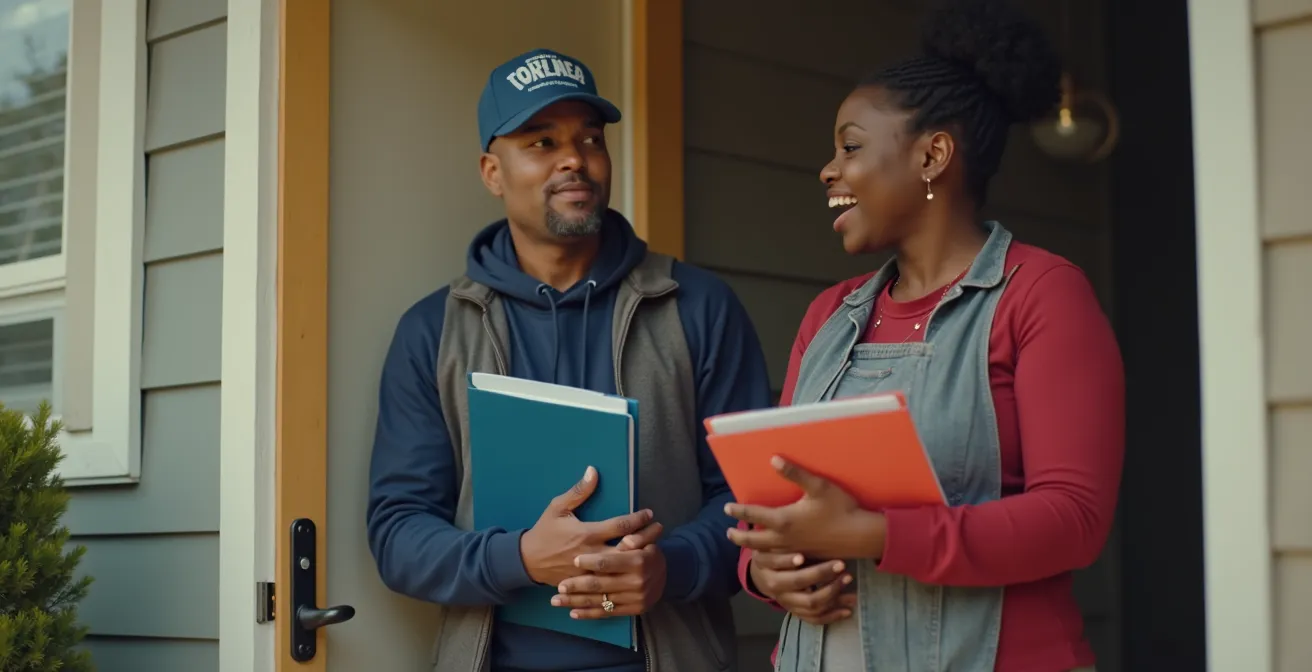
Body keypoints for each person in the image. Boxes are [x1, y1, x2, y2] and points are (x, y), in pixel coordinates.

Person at [723, 1, 1124, 671]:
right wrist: (766, 575)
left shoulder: (1040, 295)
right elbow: (775, 509)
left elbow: (1073, 519)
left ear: (934, 154)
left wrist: (877, 535)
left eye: (850, 146)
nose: (827, 170)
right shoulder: (828, 315)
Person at [365, 48, 771, 672]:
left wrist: (671, 566)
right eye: (541, 141)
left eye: (589, 138)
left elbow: (750, 497)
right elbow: (398, 532)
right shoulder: (434, 331)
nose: (574, 159)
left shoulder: (696, 306)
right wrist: (521, 558)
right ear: (492, 171)